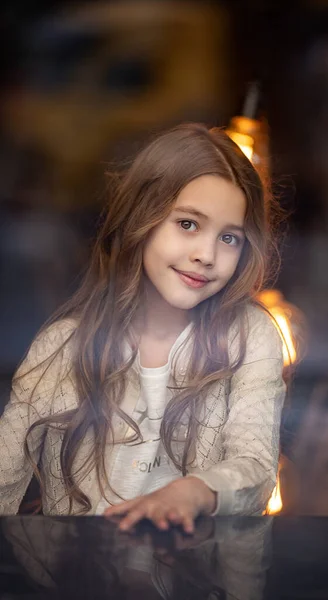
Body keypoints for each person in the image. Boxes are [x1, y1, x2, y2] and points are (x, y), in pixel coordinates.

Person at [0, 123, 286, 532]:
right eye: (188, 224)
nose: (206, 254)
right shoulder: (62, 344)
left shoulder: (250, 336)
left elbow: (255, 468)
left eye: (229, 238)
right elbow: (3, 477)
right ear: (141, 218)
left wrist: (194, 491)